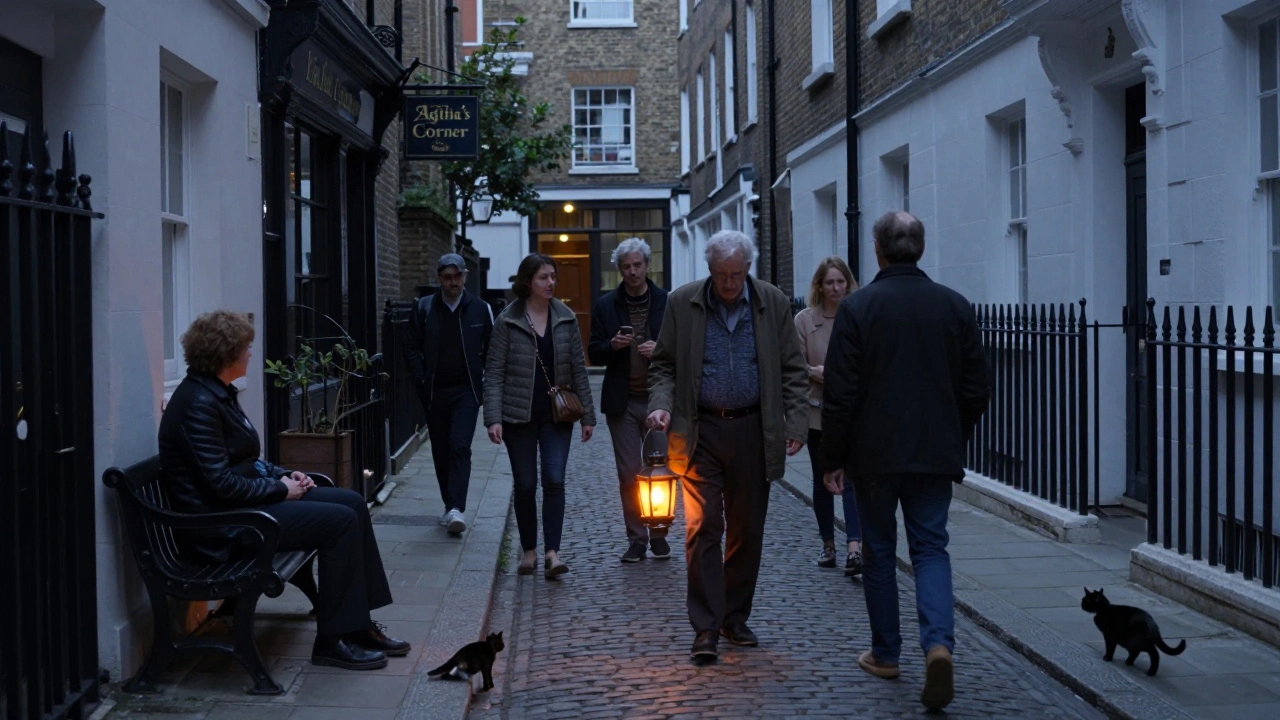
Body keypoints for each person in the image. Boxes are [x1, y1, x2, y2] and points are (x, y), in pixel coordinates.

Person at [158, 310, 409, 671]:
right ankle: (331, 640)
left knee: (352, 503)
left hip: (243, 510)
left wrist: (288, 474)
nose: (249, 354)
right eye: (245, 347)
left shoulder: (217, 393)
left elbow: (247, 460)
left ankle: (358, 625)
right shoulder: (197, 404)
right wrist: (280, 489)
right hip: (223, 528)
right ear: (224, 352)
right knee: (338, 522)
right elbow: (220, 485)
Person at [821, 212, 990, 711]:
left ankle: (886, 653)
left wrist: (833, 456)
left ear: (878, 250)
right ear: (920, 247)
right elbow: (977, 387)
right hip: (934, 453)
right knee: (931, 549)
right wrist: (951, 433)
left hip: (873, 456)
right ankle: (938, 645)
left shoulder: (858, 308)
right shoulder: (955, 306)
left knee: (877, 550)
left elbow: (840, 391)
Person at [647, 230, 808, 661]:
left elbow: (793, 369)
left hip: (755, 431)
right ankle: (705, 626)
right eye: (722, 275)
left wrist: (796, 423)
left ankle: (734, 616)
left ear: (748, 268)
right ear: (710, 271)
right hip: (701, 432)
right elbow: (662, 365)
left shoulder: (772, 302)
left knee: (746, 529)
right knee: (703, 529)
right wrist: (661, 407)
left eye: (737, 274)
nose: (730, 284)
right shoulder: (683, 303)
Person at [484, 254, 597, 580]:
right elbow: (493, 373)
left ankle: (552, 553)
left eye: (553, 277)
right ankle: (530, 550)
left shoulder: (566, 318)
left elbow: (579, 368)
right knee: (525, 484)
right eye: (544, 277)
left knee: (554, 478)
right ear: (528, 281)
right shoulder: (508, 320)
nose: (551, 283)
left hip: (557, 417)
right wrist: (493, 417)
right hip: (518, 415)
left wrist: (587, 415)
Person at [588, 237, 672, 564]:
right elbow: (593, 351)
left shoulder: (667, 301)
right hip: (622, 403)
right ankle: (637, 539)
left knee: (660, 471)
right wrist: (612, 345)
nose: (633, 272)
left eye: (638, 265)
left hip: (659, 400)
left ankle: (659, 535)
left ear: (647, 265)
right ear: (619, 270)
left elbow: (683, 347)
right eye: (626, 267)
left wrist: (660, 350)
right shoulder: (606, 305)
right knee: (629, 474)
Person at [403, 253, 494, 535]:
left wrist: (484, 389)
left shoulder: (480, 309)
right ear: (439, 278)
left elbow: (492, 351)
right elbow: (410, 347)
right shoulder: (425, 308)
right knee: (441, 451)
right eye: (447, 277)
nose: (453, 283)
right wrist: (420, 379)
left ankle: (456, 508)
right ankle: (448, 506)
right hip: (434, 391)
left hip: (466, 390)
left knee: (459, 446)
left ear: (465, 276)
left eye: (457, 277)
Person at [795, 256, 862, 576]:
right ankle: (828, 544)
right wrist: (813, 372)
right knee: (823, 481)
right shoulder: (805, 321)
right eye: (830, 282)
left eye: (841, 281)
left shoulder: (859, 316)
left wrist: (831, 374)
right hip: (817, 414)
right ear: (819, 286)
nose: (836, 288)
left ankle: (854, 547)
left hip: (851, 413)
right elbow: (794, 366)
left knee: (849, 479)